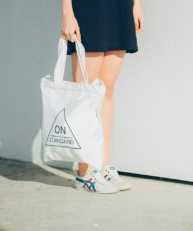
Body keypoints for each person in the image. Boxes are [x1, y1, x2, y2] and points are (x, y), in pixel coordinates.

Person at [60, 0, 144, 194]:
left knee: (107, 91)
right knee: (85, 95)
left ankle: (102, 166)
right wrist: (67, 13)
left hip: (119, 7)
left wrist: (136, 5)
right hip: (89, 8)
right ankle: (85, 173)